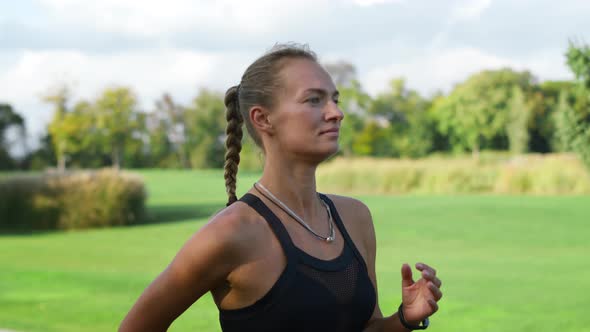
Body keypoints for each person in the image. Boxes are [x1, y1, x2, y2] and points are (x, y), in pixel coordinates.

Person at [119, 43, 443, 332]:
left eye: (334, 99)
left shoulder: (355, 216)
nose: (337, 113)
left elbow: (367, 327)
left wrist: (405, 319)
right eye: (314, 100)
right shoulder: (231, 233)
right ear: (263, 119)